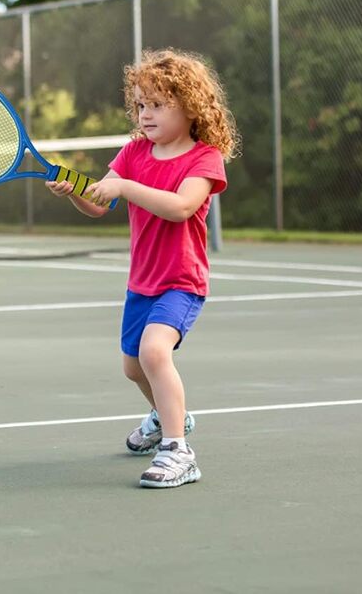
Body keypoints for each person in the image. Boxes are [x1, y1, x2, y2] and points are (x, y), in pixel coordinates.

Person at [46, 48, 240, 488]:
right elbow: (101, 205)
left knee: (155, 353)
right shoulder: (134, 151)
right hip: (142, 282)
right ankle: (168, 415)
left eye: (157, 104)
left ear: (190, 107)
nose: (145, 114)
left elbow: (182, 207)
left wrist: (126, 186)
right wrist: (77, 191)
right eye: (140, 104)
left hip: (181, 281)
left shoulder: (203, 159)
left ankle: (178, 451)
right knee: (133, 368)